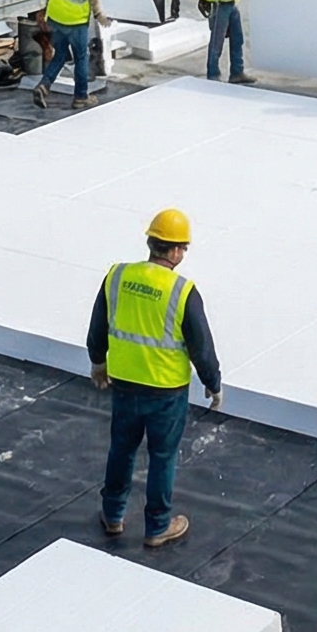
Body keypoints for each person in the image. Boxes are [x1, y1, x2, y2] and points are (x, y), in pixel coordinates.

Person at [88, 208, 223, 550]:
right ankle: (158, 527)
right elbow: (201, 346)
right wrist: (213, 382)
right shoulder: (182, 291)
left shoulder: (117, 276)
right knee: (162, 456)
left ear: (151, 242)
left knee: (122, 448)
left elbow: (98, 326)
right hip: (166, 390)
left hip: (125, 384)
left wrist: (97, 362)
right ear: (176, 250)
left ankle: (113, 515)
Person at [36, 0, 107, 110]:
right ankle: (81, 97)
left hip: (56, 19)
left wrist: (44, 12)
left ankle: (43, 86)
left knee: (60, 54)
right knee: (81, 57)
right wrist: (101, 16)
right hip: (74, 23)